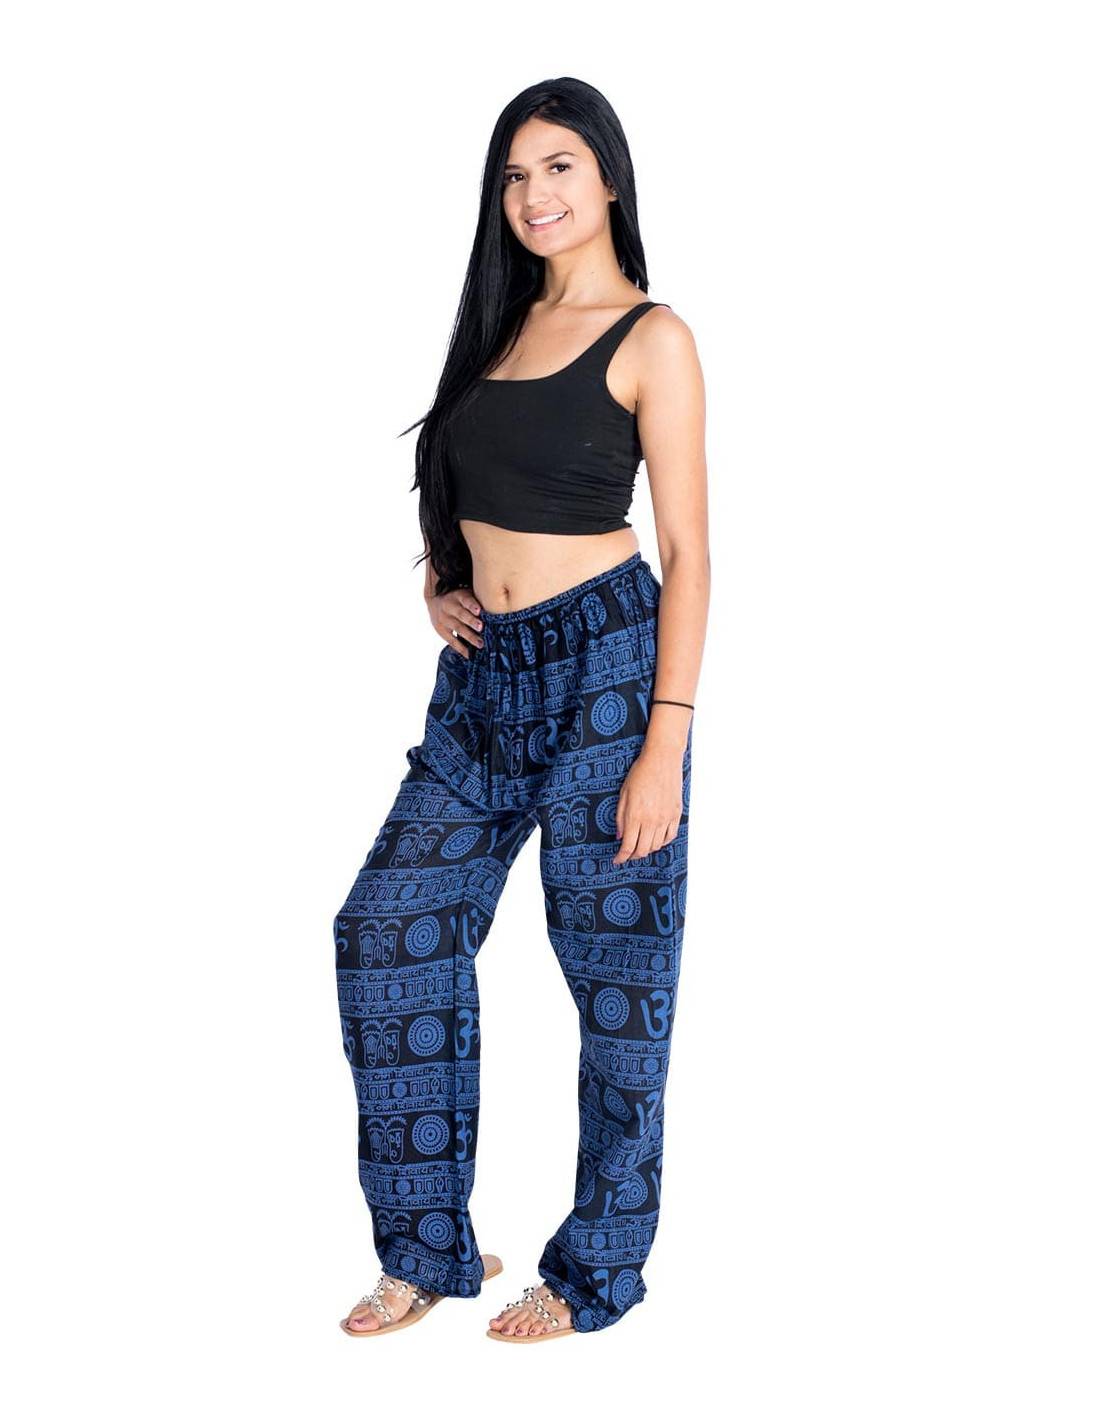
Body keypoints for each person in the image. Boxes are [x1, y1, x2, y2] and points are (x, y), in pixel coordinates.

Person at [334, 76, 709, 1342]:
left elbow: (690, 555)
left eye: (557, 167)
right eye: (513, 175)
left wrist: (663, 740)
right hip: (481, 684)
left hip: (609, 672)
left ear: (606, 177)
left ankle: (597, 1269)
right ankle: (426, 1250)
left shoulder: (651, 336)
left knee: (615, 980)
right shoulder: (495, 329)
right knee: (386, 929)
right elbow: (460, 483)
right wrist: (439, 581)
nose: (534, 194)